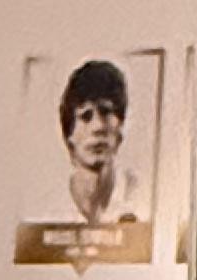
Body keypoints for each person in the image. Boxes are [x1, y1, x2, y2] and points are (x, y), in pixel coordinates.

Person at [52, 58, 144, 229]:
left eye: (106, 112)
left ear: (120, 129)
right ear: (69, 136)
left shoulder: (142, 199)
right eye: (86, 116)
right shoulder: (50, 208)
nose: (98, 127)